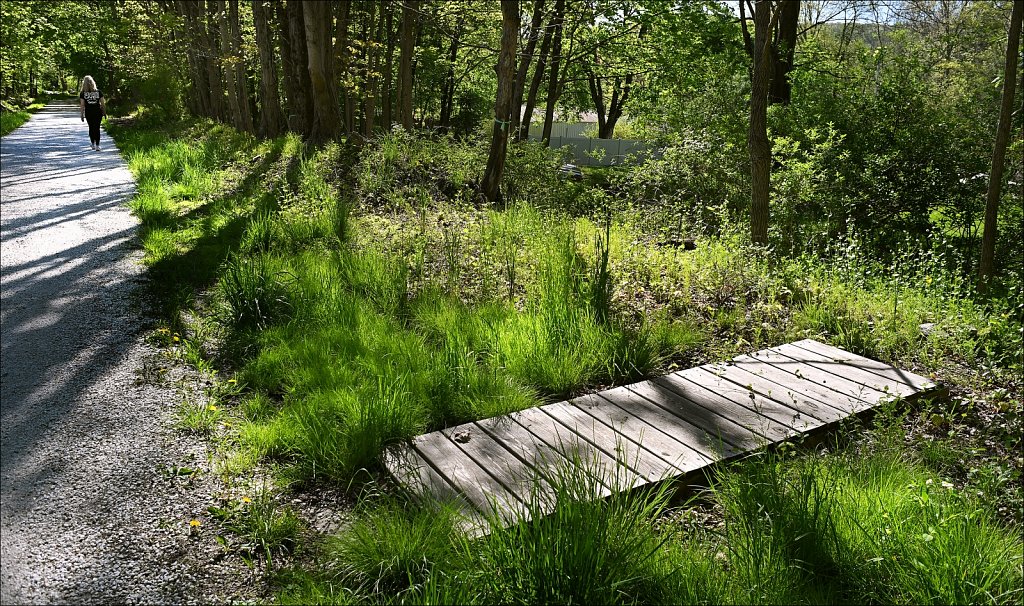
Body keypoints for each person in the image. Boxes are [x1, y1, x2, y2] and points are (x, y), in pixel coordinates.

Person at [79, 76, 105, 151]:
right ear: (93, 82)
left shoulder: (83, 93)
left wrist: (81, 115)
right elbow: (103, 104)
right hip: (97, 112)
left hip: (88, 112)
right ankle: (97, 145)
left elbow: (82, 105)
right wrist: (104, 112)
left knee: (91, 127)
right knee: (97, 128)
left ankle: (92, 144)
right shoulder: (99, 92)